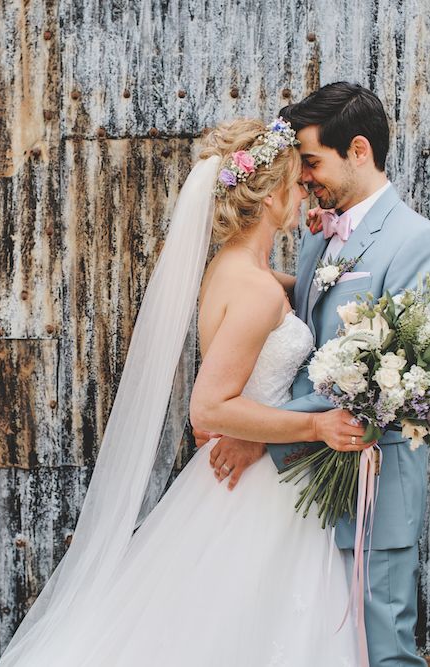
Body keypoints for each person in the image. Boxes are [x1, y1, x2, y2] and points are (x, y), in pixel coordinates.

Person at [0, 117, 366, 666]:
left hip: (250, 474)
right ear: (267, 198)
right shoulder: (257, 289)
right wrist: (316, 425)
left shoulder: (235, 268)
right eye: (295, 182)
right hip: (261, 488)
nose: (304, 190)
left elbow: (302, 297)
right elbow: (210, 407)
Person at [202, 82, 430, 666]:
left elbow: (390, 384)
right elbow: (301, 334)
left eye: (310, 161)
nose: (302, 178)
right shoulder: (316, 239)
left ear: (358, 150)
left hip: (372, 482)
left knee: (383, 652)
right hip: (303, 490)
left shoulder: (416, 244)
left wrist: (260, 431)